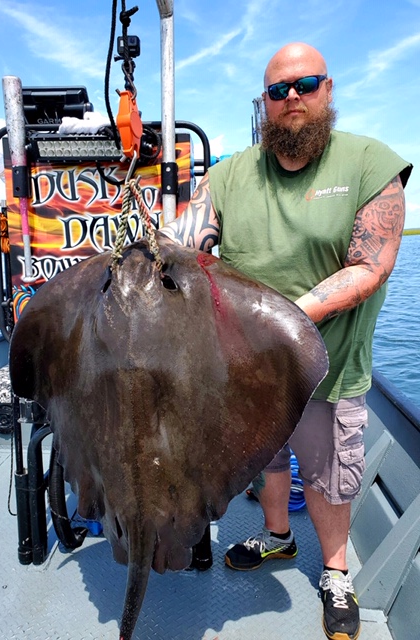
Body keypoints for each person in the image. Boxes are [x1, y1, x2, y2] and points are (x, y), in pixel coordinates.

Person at [159, 42, 412, 640]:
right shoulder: (230, 174)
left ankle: (335, 571)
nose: (292, 97)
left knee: (327, 476)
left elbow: (370, 267)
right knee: (266, 459)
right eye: (278, 90)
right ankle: (277, 538)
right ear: (264, 102)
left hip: (327, 364)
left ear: (328, 89)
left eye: (306, 84)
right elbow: (184, 241)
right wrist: (151, 252)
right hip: (247, 366)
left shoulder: (369, 163)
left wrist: (285, 320)